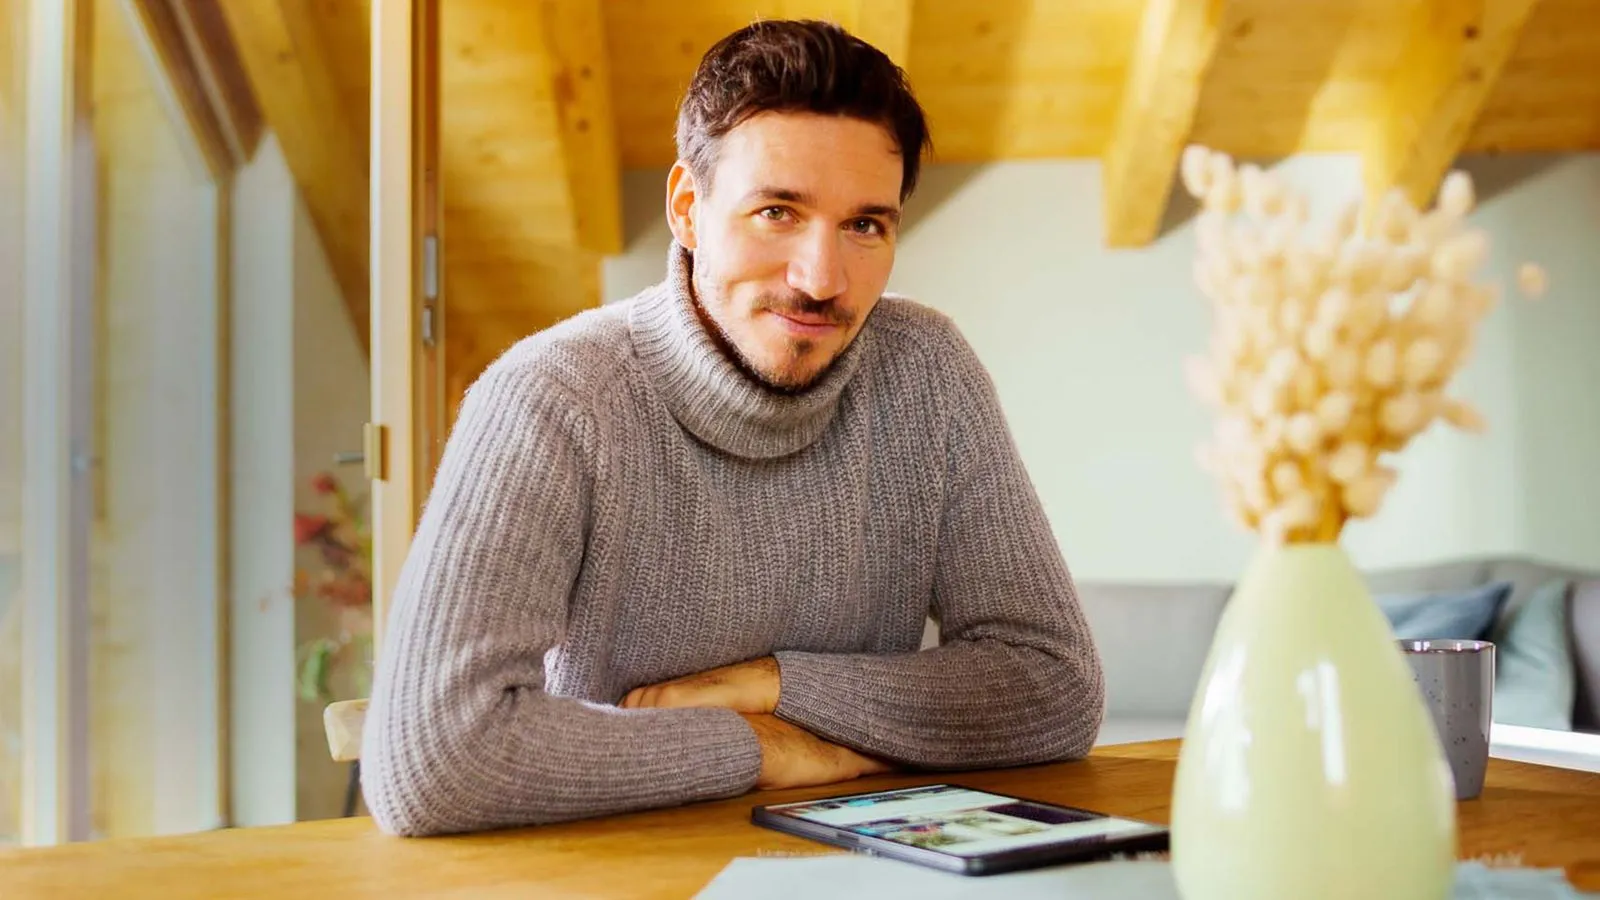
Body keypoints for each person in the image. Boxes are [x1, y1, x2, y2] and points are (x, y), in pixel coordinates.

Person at [361, 18, 1104, 838]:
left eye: (865, 225)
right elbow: (433, 760)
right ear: (688, 208)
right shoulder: (551, 397)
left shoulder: (927, 371)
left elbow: (1054, 686)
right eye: (777, 212)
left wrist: (779, 685)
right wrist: (757, 747)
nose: (821, 280)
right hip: (611, 869)